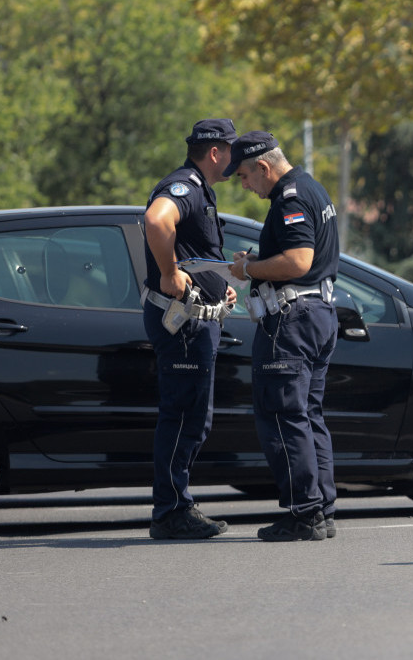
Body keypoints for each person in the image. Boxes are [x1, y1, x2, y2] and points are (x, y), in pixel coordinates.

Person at [225, 131, 340, 542]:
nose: (244, 185)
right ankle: (321, 510)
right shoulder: (311, 188)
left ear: (263, 167)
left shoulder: (289, 198)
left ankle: (304, 513)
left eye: (243, 175)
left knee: (283, 415)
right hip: (317, 314)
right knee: (307, 414)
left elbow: (297, 261)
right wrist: (259, 261)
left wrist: (247, 270)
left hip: (293, 321)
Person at [142, 118, 239, 540]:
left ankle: (176, 505)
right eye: (232, 149)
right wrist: (168, 273)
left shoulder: (201, 189)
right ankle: (170, 511)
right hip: (183, 324)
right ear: (215, 152)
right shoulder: (185, 186)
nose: (236, 158)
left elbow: (195, 252)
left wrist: (220, 287)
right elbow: (156, 222)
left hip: (196, 321)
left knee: (192, 418)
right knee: (183, 417)